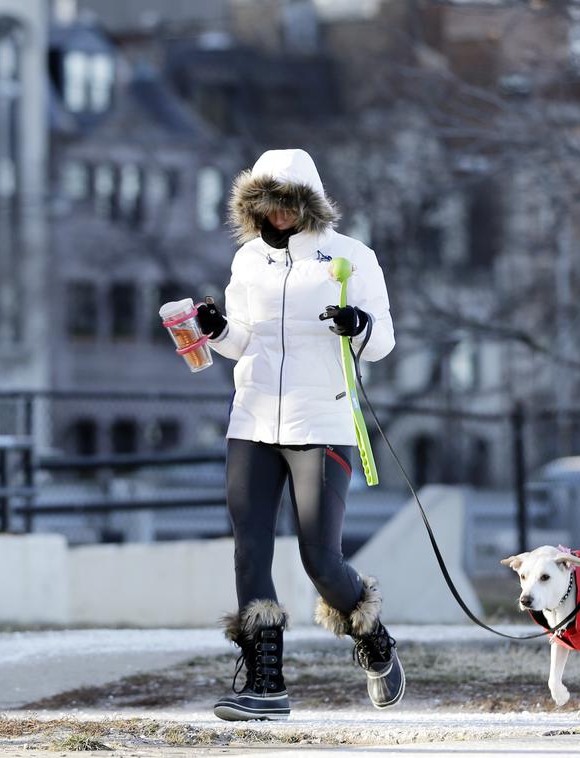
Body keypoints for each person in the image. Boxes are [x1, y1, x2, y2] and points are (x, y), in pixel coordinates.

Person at [195, 148, 404, 721]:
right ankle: (266, 682)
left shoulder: (350, 257)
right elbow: (242, 339)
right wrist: (216, 330)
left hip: (324, 423)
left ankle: (372, 634)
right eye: (266, 207)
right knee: (250, 548)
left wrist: (356, 325)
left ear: (307, 204)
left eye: (286, 206)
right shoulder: (247, 262)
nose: (277, 217)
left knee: (320, 558)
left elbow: (381, 341)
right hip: (253, 420)